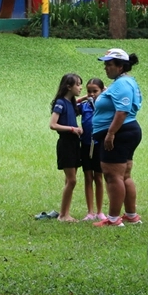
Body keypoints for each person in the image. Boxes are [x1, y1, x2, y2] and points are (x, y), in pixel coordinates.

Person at [91, 48, 143, 227]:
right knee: (124, 175)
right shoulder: (126, 82)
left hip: (119, 133)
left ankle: (113, 219)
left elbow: (122, 111)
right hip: (128, 131)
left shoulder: (122, 84)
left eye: (109, 64)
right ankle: (131, 215)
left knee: (113, 176)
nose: (106, 68)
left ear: (121, 67)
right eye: (105, 64)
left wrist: (110, 134)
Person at [48, 73, 83, 222]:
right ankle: (63, 215)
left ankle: (66, 212)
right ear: (69, 87)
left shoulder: (70, 102)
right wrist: (72, 129)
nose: (80, 87)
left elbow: (77, 102)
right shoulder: (61, 103)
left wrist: (88, 97)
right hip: (66, 143)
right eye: (78, 85)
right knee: (72, 180)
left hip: (74, 143)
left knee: (69, 180)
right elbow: (53, 124)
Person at [78, 78, 106, 221]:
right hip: (86, 144)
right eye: (89, 91)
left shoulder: (105, 105)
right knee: (88, 177)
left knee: (98, 178)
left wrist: (105, 94)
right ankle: (90, 211)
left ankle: (100, 211)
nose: (92, 94)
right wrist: (84, 97)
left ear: (102, 90)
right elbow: (70, 105)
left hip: (99, 145)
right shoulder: (84, 106)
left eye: (95, 91)